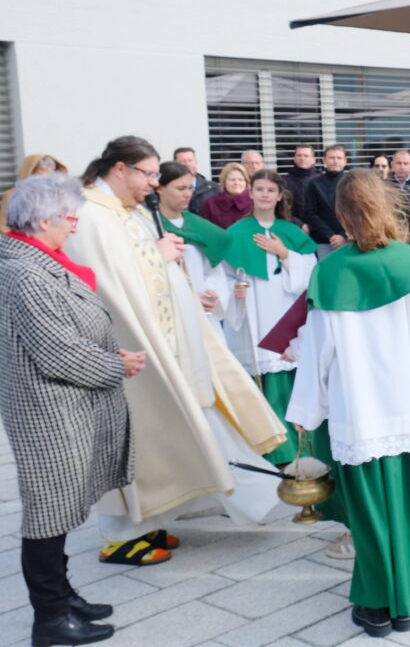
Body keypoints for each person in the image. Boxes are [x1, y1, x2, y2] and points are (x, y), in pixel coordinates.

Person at [66, 136, 286, 566]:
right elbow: (107, 281)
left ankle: (150, 520)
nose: (152, 183)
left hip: (161, 340)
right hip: (127, 346)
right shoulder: (91, 214)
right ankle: (119, 535)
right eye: (148, 174)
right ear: (120, 169)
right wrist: (157, 252)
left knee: (161, 433)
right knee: (132, 434)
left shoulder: (128, 210)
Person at [287, 170, 410, 636]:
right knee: (409, 503)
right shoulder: (407, 260)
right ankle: (409, 600)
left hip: (358, 408)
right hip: (407, 401)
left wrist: (304, 415)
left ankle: (379, 605)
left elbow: (319, 352)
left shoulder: (332, 270)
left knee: (370, 510)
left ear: (341, 213)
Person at [0, 174, 143, 647]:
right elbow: (58, 352)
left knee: (58, 512)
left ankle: (62, 596)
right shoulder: (26, 274)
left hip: (61, 408)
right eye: (69, 216)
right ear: (43, 220)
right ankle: (50, 619)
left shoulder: (32, 259)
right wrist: (116, 364)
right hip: (50, 412)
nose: (75, 224)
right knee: (47, 516)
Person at [223, 169, 317, 464]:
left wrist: (285, 253)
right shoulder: (235, 233)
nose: (264, 194)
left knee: (289, 378)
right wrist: (232, 290)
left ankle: (300, 447)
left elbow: (312, 273)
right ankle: (273, 452)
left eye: (270, 190)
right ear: (250, 193)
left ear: (279, 196)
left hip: (284, 312)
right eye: (259, 189)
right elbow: (221, 276)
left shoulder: (290, 233)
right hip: (252, 313)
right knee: (261, 384)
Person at [156, 162, 232, 334]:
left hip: (202, 314)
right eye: (180, 188)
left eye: (190, 188)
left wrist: (212, 293)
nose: (187, 194)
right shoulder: (149, 227)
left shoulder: (202, 228)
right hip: (168, 315)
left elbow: (213, 272)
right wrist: (186, 297)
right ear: (160, 188)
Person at [0, 153, 69, 234]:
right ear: (30, 171)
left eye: (51, 170)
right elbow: (3, 226)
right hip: (22, 242)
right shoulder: (12, 194)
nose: (47, 174)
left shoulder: (59, 195)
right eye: (42, 169)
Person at [304, 144, 349, 257]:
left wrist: (344, 235)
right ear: (324, 160)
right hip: (324, 241)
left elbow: (358, 212)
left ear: (345, 161)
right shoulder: (314, 184)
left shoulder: (353, 183)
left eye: (339, 158)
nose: (335, 161)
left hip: (350, 240)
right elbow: (310, 214)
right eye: (331, 157)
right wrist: (331, 236)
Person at [199, 162, 251, 228]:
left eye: (241, 180)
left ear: (246, 182)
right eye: (232, 180)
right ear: (224, 181)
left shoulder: (255, 202)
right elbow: (204, 228)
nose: (236, 183)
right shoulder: (211, 203)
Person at [174, 147, 220, 216]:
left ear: (196, 162)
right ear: (175, 164)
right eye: (183, 161)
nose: (187, 164)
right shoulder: (168, 190)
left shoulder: (214, 189)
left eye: (190, 160)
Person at [283, 144, 321, 225]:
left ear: (313, 159)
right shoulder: (285, 181)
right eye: (299, 155)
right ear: (294, 159)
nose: (302, 158)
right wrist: (300, 225)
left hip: (320, 229)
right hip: (295, 228)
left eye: (306, 156)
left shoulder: (322, 180)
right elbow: (283, 207)